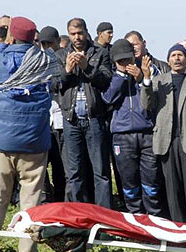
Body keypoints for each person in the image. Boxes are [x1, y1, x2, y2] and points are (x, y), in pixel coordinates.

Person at [0, 16, 60, 252]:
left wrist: (5, 43)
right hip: (34, 141)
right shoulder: (46, 60)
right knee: (31, 198)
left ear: (10, 36)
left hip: (0, 141)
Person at [141, 44, 186, 227]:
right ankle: (177, 228)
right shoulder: (159, 80)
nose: (177, 59)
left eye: (180, 55)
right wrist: (147, 79)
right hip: (167, 141)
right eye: (173, 55)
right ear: (168, 60)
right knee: (172, 188)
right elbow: (146, 104)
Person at [55, 18, 113, 208]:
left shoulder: (100, 52)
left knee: (101, 172)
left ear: (86, 32)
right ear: (69, 34)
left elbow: (105, 80)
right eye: (73, 34)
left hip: (94, 118)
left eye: (80, 33)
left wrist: (87, 67)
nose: (77, 37)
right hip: (71, 120)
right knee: (74, 172)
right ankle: (78, 217)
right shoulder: (61, 54)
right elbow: (55, 85)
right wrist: (68, 70)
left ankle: (104, 218)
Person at [102, 39, 164, 215]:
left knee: (151, 181)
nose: (126, 64)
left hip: (146, 133)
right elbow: (108, 99)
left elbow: (154, 98)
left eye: (128, 59)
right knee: (129, 182)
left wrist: (141, 78)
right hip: (122, 135)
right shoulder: (111, 76)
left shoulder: (148, 70)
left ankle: (154, 218)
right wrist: (121, 76)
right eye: (121, 61)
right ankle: (134, 217)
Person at [39, 26, 67, 203]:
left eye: (50, 42)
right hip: (44, 122)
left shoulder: (64, 60)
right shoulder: (39, 62)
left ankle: (62, 200)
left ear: (57, 41)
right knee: (41, 168)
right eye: (44, 43)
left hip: (62, 121)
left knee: (62, 167)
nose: (47, 46)